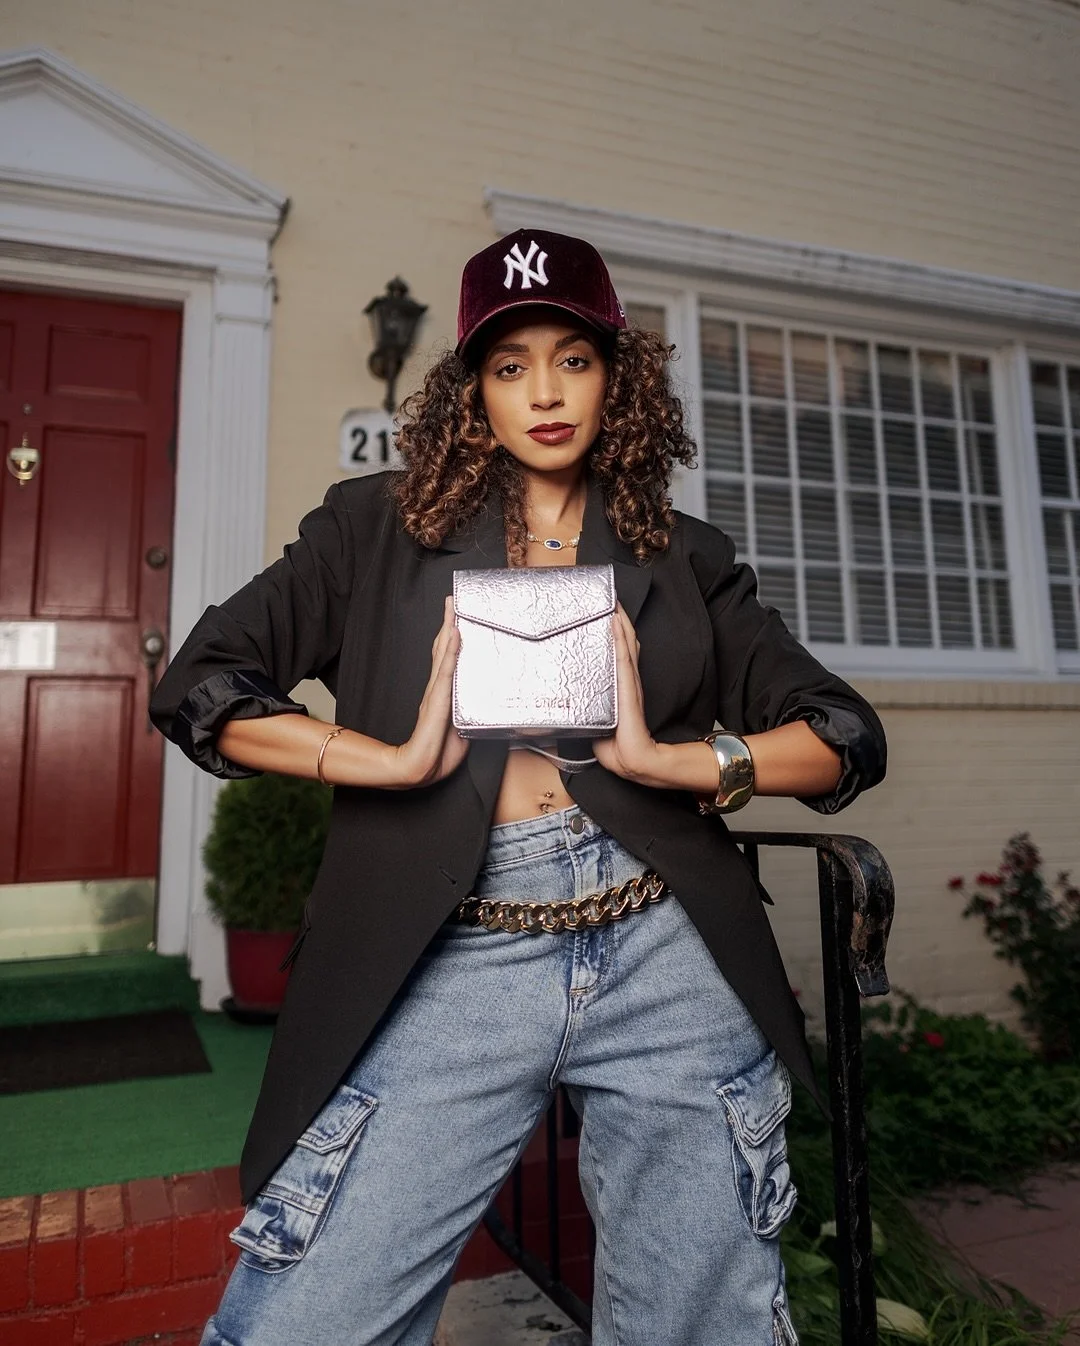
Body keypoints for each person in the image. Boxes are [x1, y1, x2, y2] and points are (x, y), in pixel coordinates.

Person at [150, 228, 886, 1346]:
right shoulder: (375, 527)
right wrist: (385, 760)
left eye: (574, 358)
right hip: (458, 939)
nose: (544, 391)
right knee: (312, 1315)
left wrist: (681, 763)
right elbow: (203, 682)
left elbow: (842, 732)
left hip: (664, 945)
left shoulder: (683, 553)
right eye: (509, 365)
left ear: (617, 375)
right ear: (471, 390)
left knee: (707, 1319)